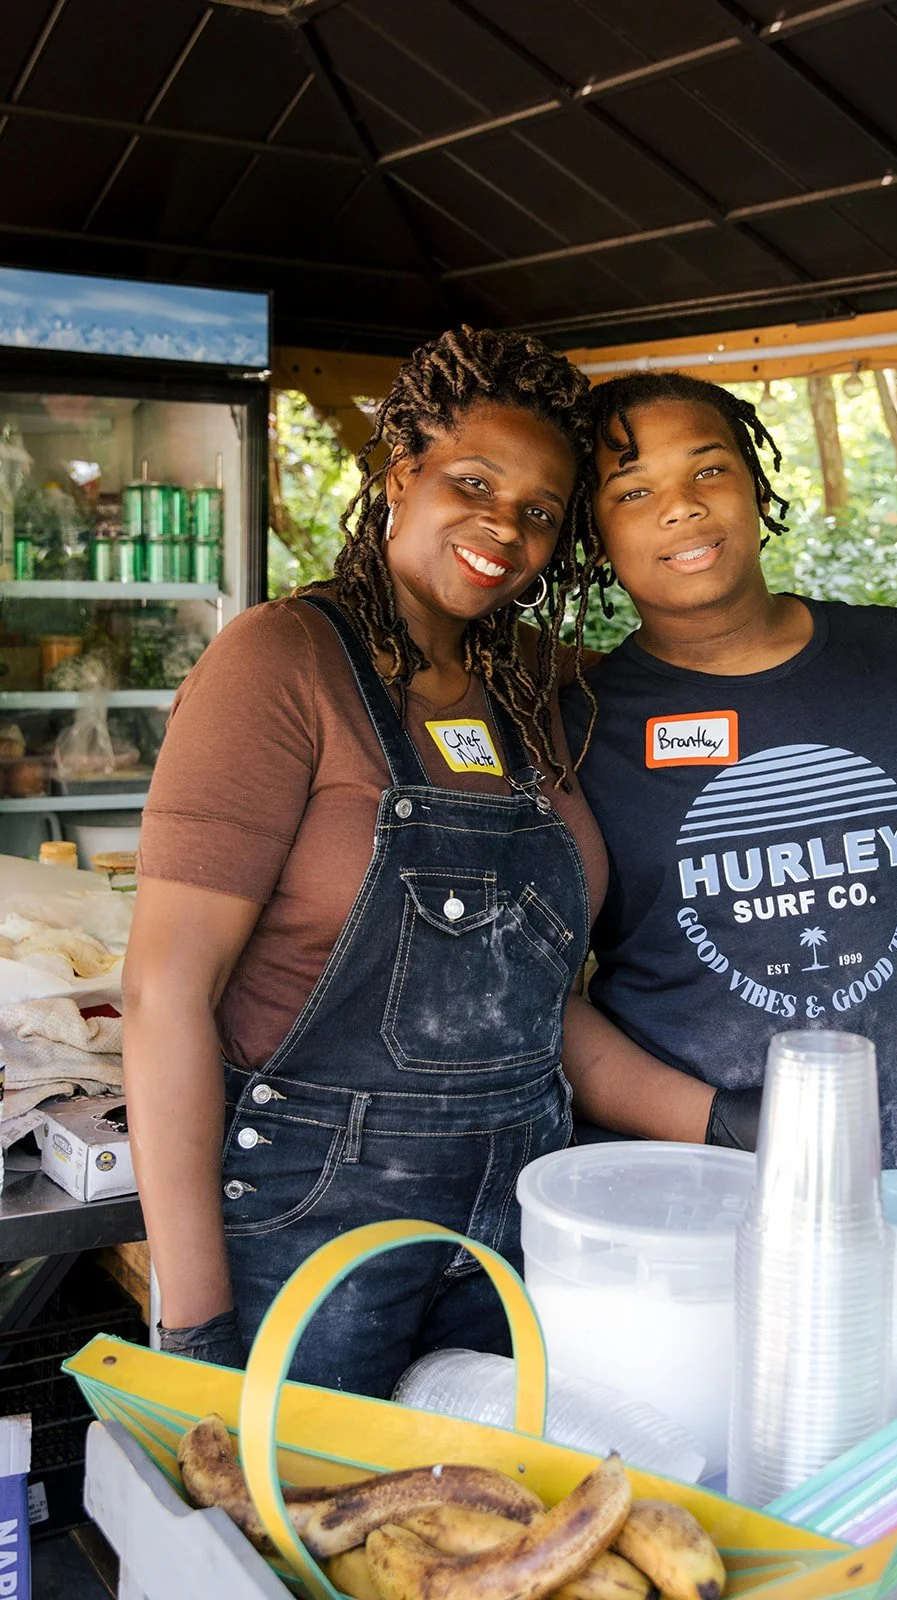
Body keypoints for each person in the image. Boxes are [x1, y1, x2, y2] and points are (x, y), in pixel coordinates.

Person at [122, 326, 608, 1392]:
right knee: (305, 1537)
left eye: (539, 512)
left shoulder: (535, 684)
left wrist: (882, 656)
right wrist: (196, 1326)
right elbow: (164, 994)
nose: (504, 529)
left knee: (481, 1534)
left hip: (515, 1225)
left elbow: (717, 672)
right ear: (402, 475)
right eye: (473, 483)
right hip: (312, 1226)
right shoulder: (281, 661)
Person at [560, 371, 897, 1206]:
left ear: (755, 484)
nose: (682, 507)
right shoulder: (579, 731)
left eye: (708, 470)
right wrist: (720, 1123)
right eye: (633, 492)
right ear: (594, 537)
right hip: (684, 1203)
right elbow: (544, 1002)